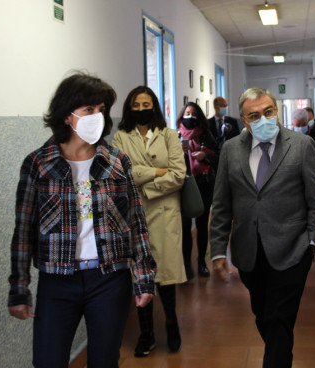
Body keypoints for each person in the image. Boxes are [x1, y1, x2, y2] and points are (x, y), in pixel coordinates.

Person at [7, 71, 156, 368]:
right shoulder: (38, 164)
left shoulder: (117, 162)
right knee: (48, 359)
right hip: (57, 280)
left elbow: (136, 224)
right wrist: (19, 288)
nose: (97, 117)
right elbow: (23, 231)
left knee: (104, 361)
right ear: (66, 116)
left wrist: (144, 279)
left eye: (101, 110)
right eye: (89, 110)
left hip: (109, 279)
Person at [209, 88, 315, 367]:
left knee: (278, 317)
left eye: (268, 112)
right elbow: (222, 204)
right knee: (265, 316)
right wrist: (216, 251)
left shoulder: (301, 146)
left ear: (276, 111)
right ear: (244, 120)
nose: (263, 119)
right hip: (249, 251)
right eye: (254, 115)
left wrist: (313, 242)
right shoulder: (230, 150)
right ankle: (279, 353)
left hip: (294, 249)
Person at [112, 86, 187, 357]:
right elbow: (122, 172)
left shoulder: (169, 135)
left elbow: (179, 174)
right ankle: (147, 334)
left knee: (165, 276)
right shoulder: (120, 138)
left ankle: (171, 323)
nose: (142, 109)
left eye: (147, 104)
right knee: (139, 275)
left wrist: (147, 187)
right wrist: (157, 171)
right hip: (135, 215)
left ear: (154, 106)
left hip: (165, 214)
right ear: (129, 109)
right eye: (136, 104)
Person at [178, 102, 219, 279]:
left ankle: (202, 261)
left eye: (193, 113)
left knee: (202, 225)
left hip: (204, 182)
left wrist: (205, 156)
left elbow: (217, 155)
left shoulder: (206, 133)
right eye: (187, 112)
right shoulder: (175, 134)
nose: (189, 116)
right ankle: (186, 265)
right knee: (185, 226)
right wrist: (178, 152)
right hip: (184, 184)